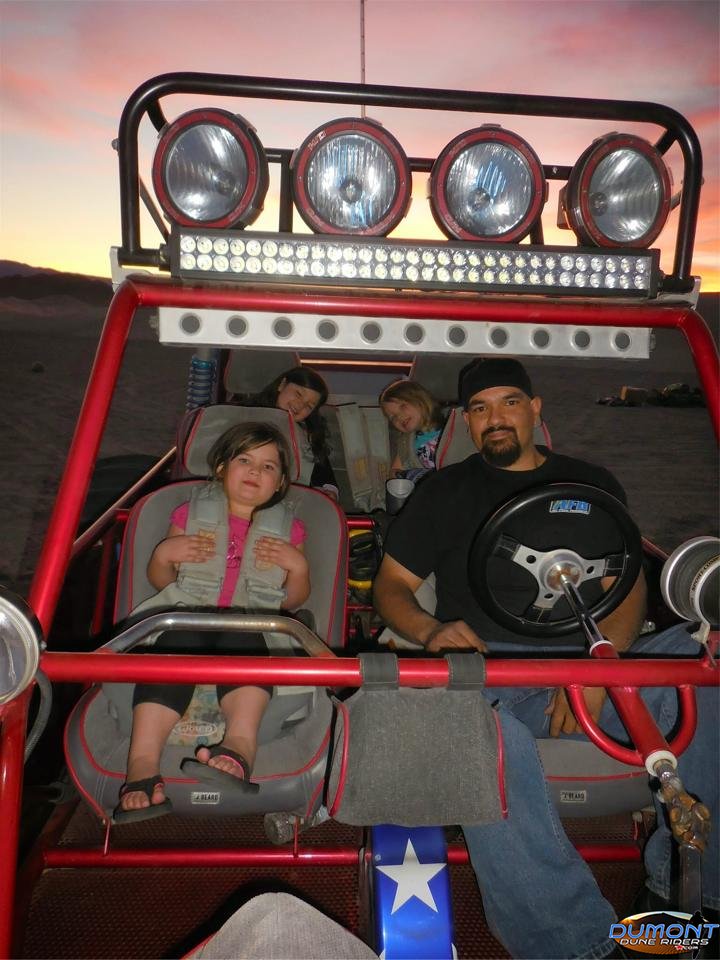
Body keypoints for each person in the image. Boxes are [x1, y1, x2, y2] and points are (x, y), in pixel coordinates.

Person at [373, 357, 719, 959]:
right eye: (480, 408)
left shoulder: (593, 483)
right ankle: (574, 945)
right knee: (477, 731)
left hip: (591, 670)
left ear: (535, 410)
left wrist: (598, 671)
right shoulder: (443, 491)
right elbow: (391, 587)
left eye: (509, 402)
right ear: (466, 422)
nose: (495, 418)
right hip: (487, 676)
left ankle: (693, 892)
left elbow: (626, 590)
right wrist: (432, 630)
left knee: (705, 658)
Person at [115, 422, 310, 822]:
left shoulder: (289, 530)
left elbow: (291, 600)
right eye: (245, 460)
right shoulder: (189, 514)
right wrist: (164, 555)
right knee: (173, 643)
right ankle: (142, 763)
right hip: (188, 615)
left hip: (253, 624)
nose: (255, 471)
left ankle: (239, 747)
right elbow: (164, 582)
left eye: (268, 466)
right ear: (221, 467)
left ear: (280, 483)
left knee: (247, 639)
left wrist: (299, 568)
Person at [233, 366, 337, 496]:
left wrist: (329, 491)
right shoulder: (240, 415)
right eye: (298, 394)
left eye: (309, 406)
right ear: (282, 384)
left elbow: (324, 477)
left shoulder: (306, 436)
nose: (300, 405)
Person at [379, 379, 446, 480]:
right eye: (393, 417)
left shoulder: (452, 422)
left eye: (402, 406)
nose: (399, 417)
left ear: (421, 399)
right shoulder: (406, 442)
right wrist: (401, 474)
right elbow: (395, 472)